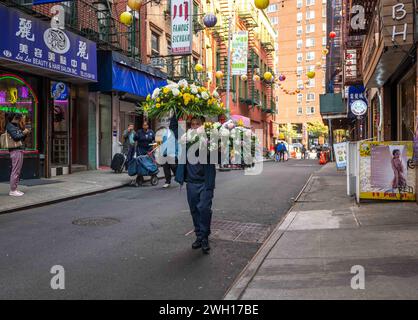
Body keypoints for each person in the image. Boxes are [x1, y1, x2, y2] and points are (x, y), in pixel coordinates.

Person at [175, 117, 216, 254]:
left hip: (205, 182)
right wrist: (176, 110)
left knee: (204, 209)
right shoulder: (186, 141)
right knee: (194, 211)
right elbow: (174, 129)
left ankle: (204, 237)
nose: (195, 127)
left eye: (198, 124)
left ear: (203, 126)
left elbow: (219, 156)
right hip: (191, 183)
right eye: (192, 125)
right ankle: (199, 236)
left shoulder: (209, 141)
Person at [6, 113, 30, 197]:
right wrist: (23, 132)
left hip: (18, 150)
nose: (21, 120)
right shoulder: (10, 126)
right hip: (15, 150)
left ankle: (14, 189)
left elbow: (20, 138)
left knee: (17, 171)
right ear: (16, 118)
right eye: (20, 118)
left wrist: (25, 133)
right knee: (15, 171)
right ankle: (13, 190)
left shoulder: (14, 126)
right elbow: (16, 137)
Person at [134, 121, 155, 186]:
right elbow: (134, 139)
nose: (145, 126)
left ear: (148, 126)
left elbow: (155, 139)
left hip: (149, 150)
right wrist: (136, 136)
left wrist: (155, 145)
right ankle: (140, 177)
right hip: (140, 149)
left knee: (151, 161)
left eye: (146, 125)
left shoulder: (151, 132)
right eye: (144, 125)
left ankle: (152, 174)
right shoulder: (139, 132)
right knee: (140, 162)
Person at [161, 117, 180, 188]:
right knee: (166, 168)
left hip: (173, 153)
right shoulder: (165, 133)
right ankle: (167, 181)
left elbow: (178, 144)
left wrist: (177, 154)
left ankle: (178, 176)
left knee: (173, 166)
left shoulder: (176, 133)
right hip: (165, 153)